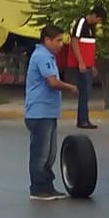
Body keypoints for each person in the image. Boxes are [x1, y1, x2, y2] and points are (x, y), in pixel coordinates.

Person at [25, 25, 78, 200]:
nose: (61, 44)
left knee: (50, 154)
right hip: (39, 113)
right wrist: (70, 87)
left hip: (48, 112)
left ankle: (48, 186)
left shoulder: (48, 56)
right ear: (47, 40)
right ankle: (37, 189)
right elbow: (52, 82)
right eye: (58, 40)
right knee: (40, 154)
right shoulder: (42, 56)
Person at [72, 4, 106, 129]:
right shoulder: (82, 22)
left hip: (88, 64)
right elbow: (74, 42)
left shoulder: (92, 27)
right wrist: (81, 62)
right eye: (99, 19)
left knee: (87, 91)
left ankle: (84, 118)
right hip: (82, 64)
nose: (98, 22)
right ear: (94, 15)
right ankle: (82, 120)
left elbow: (89, 48)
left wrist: (92, 65)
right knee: (84, 91)